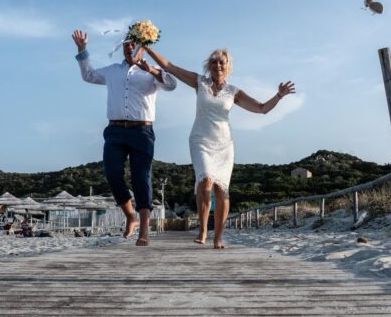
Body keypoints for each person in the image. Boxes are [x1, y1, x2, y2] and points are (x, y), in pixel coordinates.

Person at [144, 46, 295, 249]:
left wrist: (279, 95)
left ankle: (218, 237)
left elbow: (261, 109)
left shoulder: (233, 92)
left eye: (221, 62)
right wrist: (148, 48)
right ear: (209, 65)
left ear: (227, 65)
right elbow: (170, 66)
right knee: (205, 180)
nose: (217, 65)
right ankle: (203, 230)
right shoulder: (199, 82)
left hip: (224, 144)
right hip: (200, 140)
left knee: (222, 190)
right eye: (213, 62)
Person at [72, 29, 177, 246]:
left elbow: (171, 84)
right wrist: (82, 49)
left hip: (142, 131)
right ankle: (131, 216)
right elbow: (88, 75)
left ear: (142, 48)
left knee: (141, 177)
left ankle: (144, 228)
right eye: (126, 44)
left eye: (134, 44)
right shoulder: (113, 71)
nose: (130, 47)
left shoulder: (151, 71)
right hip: (115, 130)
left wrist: (152, 71)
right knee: (112, 173)